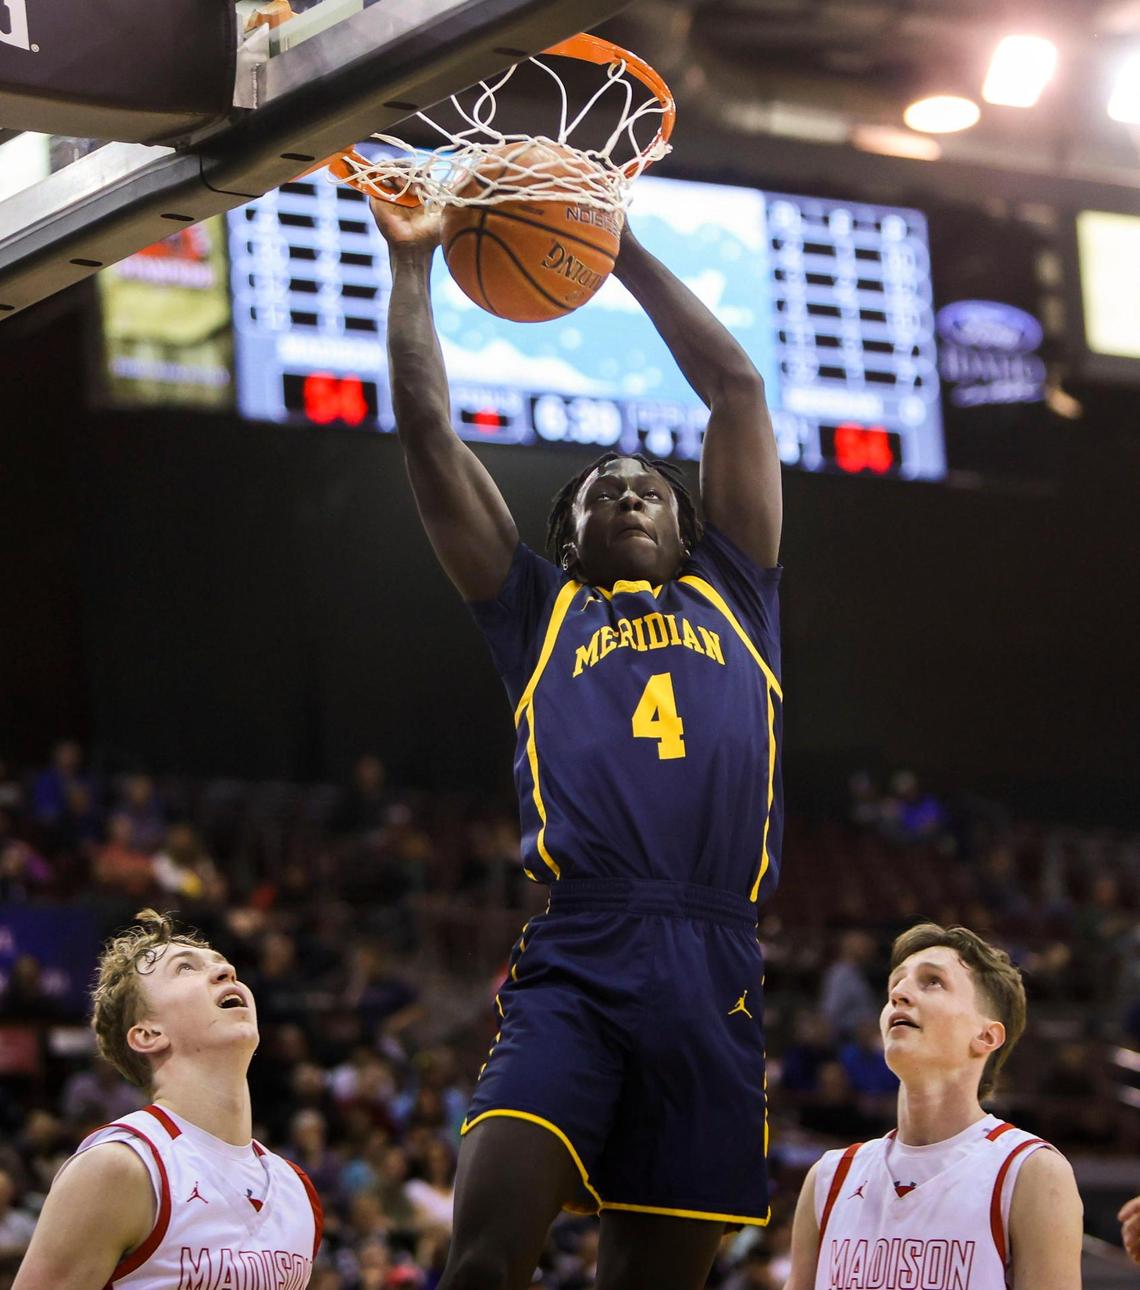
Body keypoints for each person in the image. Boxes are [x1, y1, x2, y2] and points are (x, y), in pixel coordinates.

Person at [370, 179, 783, 1290]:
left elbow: (737, 387)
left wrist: (621, 245)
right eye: (606, 490)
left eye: (650, 486)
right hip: (581, 951)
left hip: (716, 964)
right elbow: (426, 432)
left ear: (689, 524)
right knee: (484, 1257)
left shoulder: (738, 596)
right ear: (569, 530)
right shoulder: (535, 609)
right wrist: (415, 266)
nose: (633, 496)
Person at [13, 909, 322, 1289]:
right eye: (185, 968)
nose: (227, 973)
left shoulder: (297, 1191)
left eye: (224, 965)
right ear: (147, 1034)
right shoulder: (121, 1168)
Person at [784, 922, 1083, 1290]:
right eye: (896, 983)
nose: (900, 993)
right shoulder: (830, 1178)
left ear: (986, 1035)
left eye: (933, 981)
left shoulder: (1029, 1172)